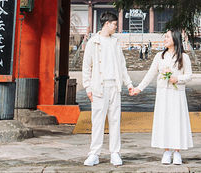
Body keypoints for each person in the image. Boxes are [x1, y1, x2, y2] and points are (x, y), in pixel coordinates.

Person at [131, 29, 193, 166]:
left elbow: (189, 75)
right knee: (164, 120)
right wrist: (139, 88)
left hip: (177, 94)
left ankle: (177, 151)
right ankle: (166, 151)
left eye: (167, 37)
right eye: (164, 37)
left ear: (175, 39)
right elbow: (150, 74)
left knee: (177, 121)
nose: (164, 39)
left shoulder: (184, 57)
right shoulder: (159, 56)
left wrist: (177, 78)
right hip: (163, 94)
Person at [82, 11, 134, 167]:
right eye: (114, 24)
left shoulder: (115, 42)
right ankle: (94, 153)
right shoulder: (93, 42)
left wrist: (129, 84)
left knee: (115, 120)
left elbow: (122, 66)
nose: (116, 27)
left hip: (114, 86)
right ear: (107, 24)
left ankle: (115, 153)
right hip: (99, 86)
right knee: (97, 121)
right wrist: (87, 87)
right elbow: (86, 66)